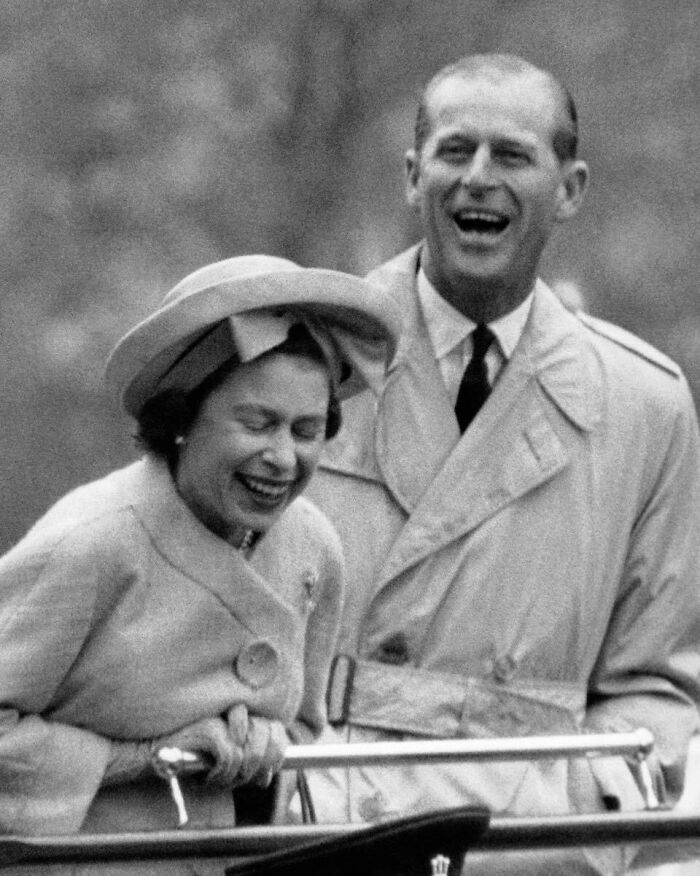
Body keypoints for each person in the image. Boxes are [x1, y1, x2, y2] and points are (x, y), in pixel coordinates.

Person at [301, 54, 700, 874]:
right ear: (414, 178)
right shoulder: (307, 353)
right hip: (316, 826)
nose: (477, 179)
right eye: (455, 152)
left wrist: (590, 818)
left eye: (512, 156)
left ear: (571, 188)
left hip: (523, 847)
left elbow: (651, 681)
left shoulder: (645, 404)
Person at [0, 255, 399, 875]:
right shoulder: (90, 544)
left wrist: (269, 748)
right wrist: (144, 757)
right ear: (183, 418)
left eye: (307, 430)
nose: (284, 459)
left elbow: (304, 732)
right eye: (257, 423)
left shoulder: (316, 549)